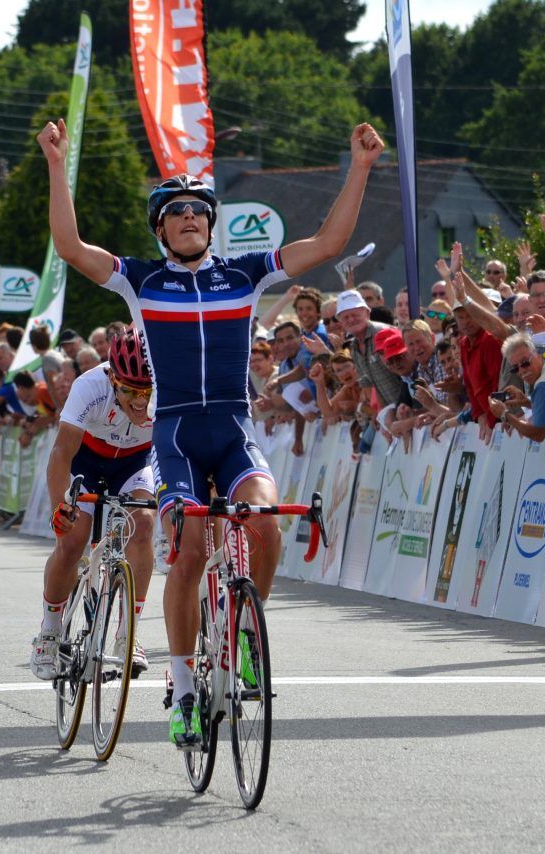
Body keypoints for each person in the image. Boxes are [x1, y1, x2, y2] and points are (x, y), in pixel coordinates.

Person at [39, 114, 385, 748]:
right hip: (173, 436)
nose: (189, 218)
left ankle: (246, 637)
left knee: (265, 522)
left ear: (210, 222)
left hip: (232, 428)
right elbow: (71, 248)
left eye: (198, 210)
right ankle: (182, 684)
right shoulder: (143, 281)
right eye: (176, 213)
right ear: (162, 229)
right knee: (192, 550)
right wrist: (57, 166)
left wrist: (359, 168)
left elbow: (328, 244)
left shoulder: (246, 275)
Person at [30, 330, 158, 680]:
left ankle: (126, 635)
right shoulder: (90, 385)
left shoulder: (165, 388)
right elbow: (61, 452)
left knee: (143, 525)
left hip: (136, 463)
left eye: (146, 391)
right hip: (86, 460)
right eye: (130, 390)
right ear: (112, 378)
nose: (139, 401)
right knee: (72, 540)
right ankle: (51, 629)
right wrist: (61, 508)